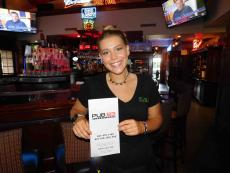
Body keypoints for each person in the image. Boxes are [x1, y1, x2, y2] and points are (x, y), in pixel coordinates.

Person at [71, 25, 163, 173]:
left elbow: (157, 119)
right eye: (106, 52)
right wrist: (79, 119)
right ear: (101, 57)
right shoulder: (92, 85)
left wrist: (142, 126)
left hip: (141, 162)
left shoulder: (146, 83)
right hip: (105, 164)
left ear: (127, 50)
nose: (113, 57)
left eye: (118, 49)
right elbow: (76, 110)